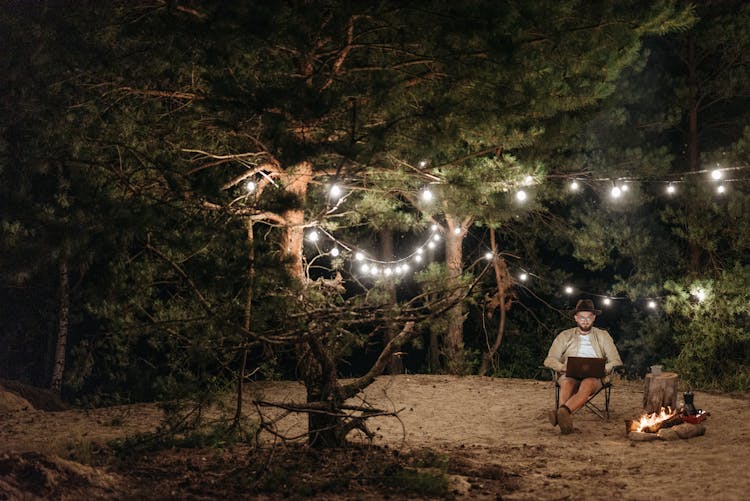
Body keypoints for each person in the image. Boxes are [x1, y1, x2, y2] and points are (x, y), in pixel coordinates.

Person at [544, 298, 622, 434]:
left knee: (588, 383)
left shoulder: (603, 336)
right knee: (567, 382)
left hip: (594, 376)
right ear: (576, 318)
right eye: (581, 317)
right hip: (569, 373)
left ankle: (561, 413)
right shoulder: (565, 335)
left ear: (594, 318)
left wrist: (602, 369)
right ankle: (565, 419)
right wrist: (563, 368)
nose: (585, 321)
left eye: (588, 317)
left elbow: (616, 361)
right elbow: (549, 359)